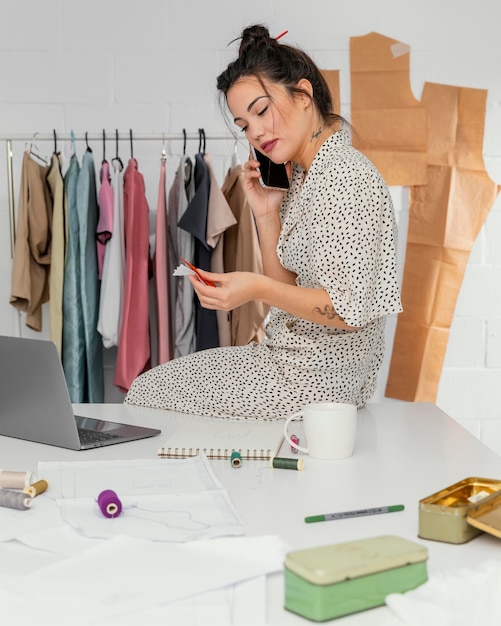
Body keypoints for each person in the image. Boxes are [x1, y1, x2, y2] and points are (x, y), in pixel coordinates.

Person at [124, 24, 402, 420]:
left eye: (261, 111)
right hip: (296, 364)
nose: (255, 132)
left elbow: (347, 312)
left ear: (303, 95)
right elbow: (288, 286)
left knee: (149, 389)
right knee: (153, 387)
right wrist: (267, 212)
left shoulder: (344, 176)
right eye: (243, 125)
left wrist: (255, 287)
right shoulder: (306, 176)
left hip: (316, 378)